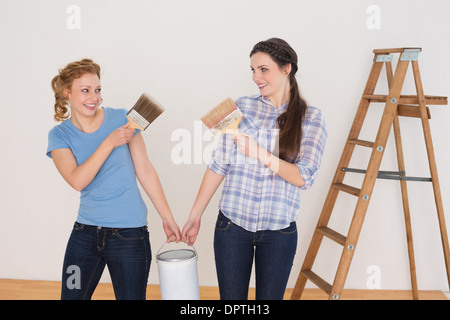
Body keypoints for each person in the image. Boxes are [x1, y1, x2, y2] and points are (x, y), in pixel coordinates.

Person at [181, 38, 327, 300]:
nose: (256, 77)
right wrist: (195, 214)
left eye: (263, 69)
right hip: (231, 227)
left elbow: (304, 177)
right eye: (253, 70)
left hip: (279, 232)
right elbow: (219, 165)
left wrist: (260, 154)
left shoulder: (311, 117)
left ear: (287, 69)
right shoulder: (241, 108)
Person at [47, 59, 181, 300]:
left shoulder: (124, 118)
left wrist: (167, 217)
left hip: (130, 235)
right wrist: (109, 142)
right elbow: (78, 180)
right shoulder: (59, 136)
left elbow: (145, 170)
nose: (94, 97)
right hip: (84, 235)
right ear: (67, 93)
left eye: (97, 90)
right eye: (85, 90)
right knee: (71, 295)